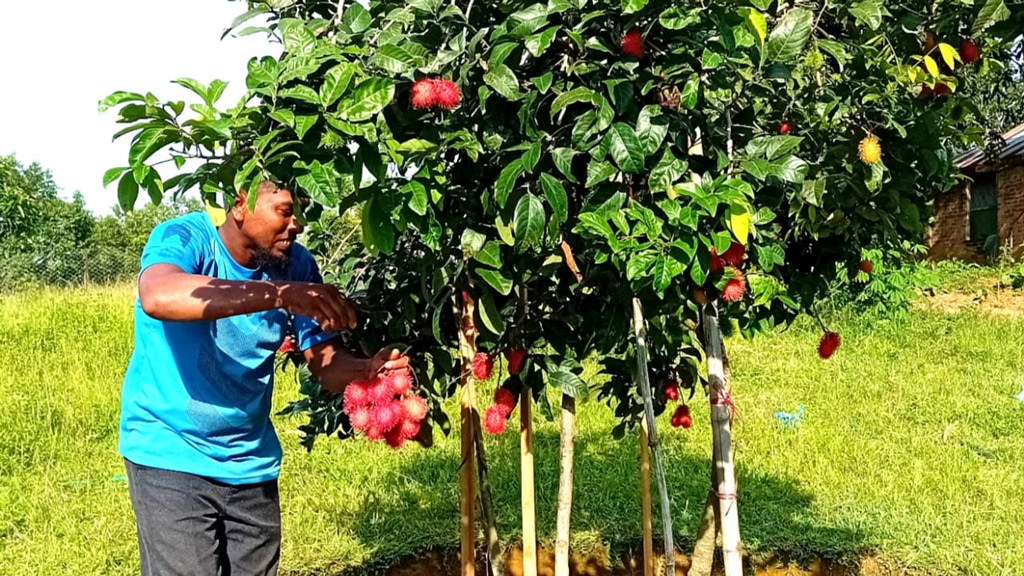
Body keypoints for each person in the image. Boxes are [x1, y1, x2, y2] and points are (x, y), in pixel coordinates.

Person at [119, 181, 409, 576]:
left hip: (250, 463)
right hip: (170, 453)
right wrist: (279, 295)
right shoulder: (186, 237)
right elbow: (158, 296)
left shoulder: (296, 266)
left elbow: (325, 364)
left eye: (301, 213)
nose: (297, 225)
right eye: (286, 211)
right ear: (239, 205)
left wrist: (366, 370)